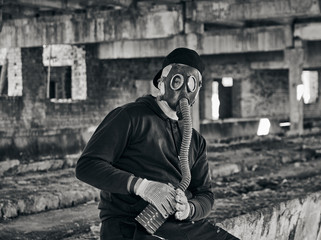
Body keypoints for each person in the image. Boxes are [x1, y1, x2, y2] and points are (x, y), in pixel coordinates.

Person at [75, 47, 240, 240]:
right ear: (162, 83)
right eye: (177, 81)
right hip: (129, 225)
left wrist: (189, 209)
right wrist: (143, 187)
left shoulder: (195, 140)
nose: (184, 90)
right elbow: (87, 166)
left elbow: (205, 194)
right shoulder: (129, 117)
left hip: (177, 225)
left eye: (191, 84)